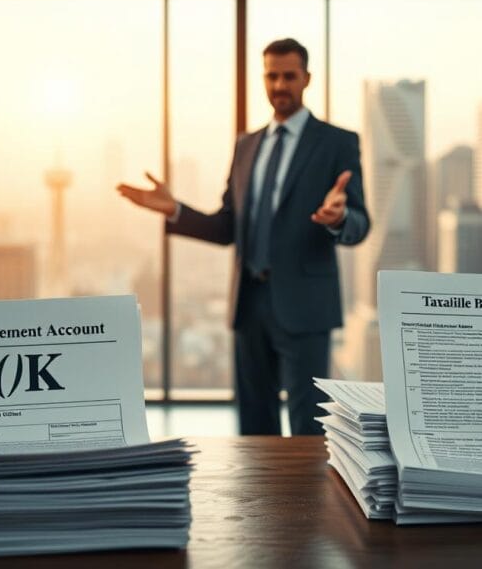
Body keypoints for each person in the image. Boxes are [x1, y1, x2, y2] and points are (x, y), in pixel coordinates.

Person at [117, 38, 370, 435]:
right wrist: (175, 209)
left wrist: (339, 218)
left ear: (307, 79)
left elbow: (360, 223)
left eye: (289, 76)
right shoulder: (246, 145)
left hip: (305, 306)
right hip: (249, 305)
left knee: (307, 430)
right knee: (253, 428)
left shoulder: (337, 142)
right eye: (272, 76)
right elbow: (226, 227)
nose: (280, 85)